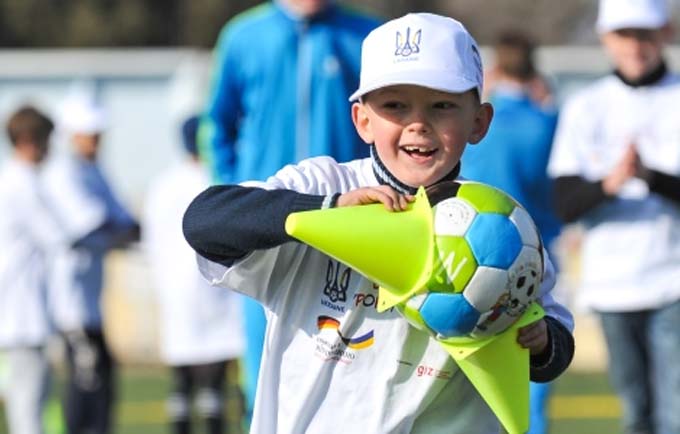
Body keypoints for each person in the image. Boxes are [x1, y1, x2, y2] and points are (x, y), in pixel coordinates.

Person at [184, 13, 575, 434]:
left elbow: (553, 347)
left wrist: (541, 341)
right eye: (395, 106)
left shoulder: (501, 226)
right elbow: (204, 221)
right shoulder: (323, 186)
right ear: (362, 120)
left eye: (442, 105)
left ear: (479, 121)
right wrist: (330, 209)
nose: (418, 123)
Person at [199, 0, 380, 418]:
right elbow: (216, 126)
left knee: (353, 362)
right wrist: (241, 196)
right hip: (265, 234)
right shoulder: (244, 36)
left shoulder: (365, 37)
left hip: (352, 232)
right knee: (265, 366)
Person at [547, 0, 680, 433]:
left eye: (645, 34)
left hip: (674, 279)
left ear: (665, 33)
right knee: (635, 413)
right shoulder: (586, 106)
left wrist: (650, 177)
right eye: (625, 35)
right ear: (606, 38)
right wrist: (610, 183)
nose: (635, 46)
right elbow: (565, 203)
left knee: (675, 413)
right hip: (612, 283)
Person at [460, 30, 561, 434]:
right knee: (532, 360)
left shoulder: (476, 126)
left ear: (496, 68)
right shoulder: (549, 123)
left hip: (468, 255)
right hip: (537, 258)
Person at [42, 94, 140, 434]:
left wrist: (118, 231)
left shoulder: (93, 171)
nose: (96, 140)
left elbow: (124, 221)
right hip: (70, 305)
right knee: (87, 382)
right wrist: (116, 233)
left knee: (101, 383)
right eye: (90, 133)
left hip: (90, 304)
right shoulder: (62, 171)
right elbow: (92, 222)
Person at [142, 115, 245, 434]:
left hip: (173, 288)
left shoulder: (162, 185)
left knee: (182, 376)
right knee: (214, 377)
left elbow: (150, 240)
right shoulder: (217, 180)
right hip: (215, 285)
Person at [0, 106, 64, 434]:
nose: (49, 149)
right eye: (45, 140)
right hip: (22, 311)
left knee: (27, 400)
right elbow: (58, 234)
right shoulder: (22, 183)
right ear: (28, 140)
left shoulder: (15, 180)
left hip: (22, 308)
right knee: (29, 403)